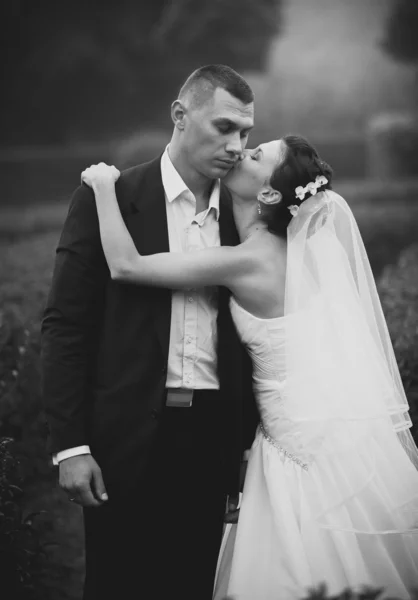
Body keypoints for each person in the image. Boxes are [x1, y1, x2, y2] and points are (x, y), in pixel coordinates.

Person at [81, 134, 418, 600]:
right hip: (323, 429)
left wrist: (101, 187)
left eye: (258, 154)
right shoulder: (293, 256)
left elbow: (127, 266)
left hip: (290, 444)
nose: (243, 150)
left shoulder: (250, 260)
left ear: (270, 195)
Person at [40, 64, 259, 600]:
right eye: (225, 127)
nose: (237, 145)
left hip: (213, 439)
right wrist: (70, 445)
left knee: (194, 584)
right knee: (117, 585)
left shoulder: (248, 217)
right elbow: (66, 325)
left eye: (246, 133)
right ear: (180, 117)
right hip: (124, 437)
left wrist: (250, 443)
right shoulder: (108, 198)